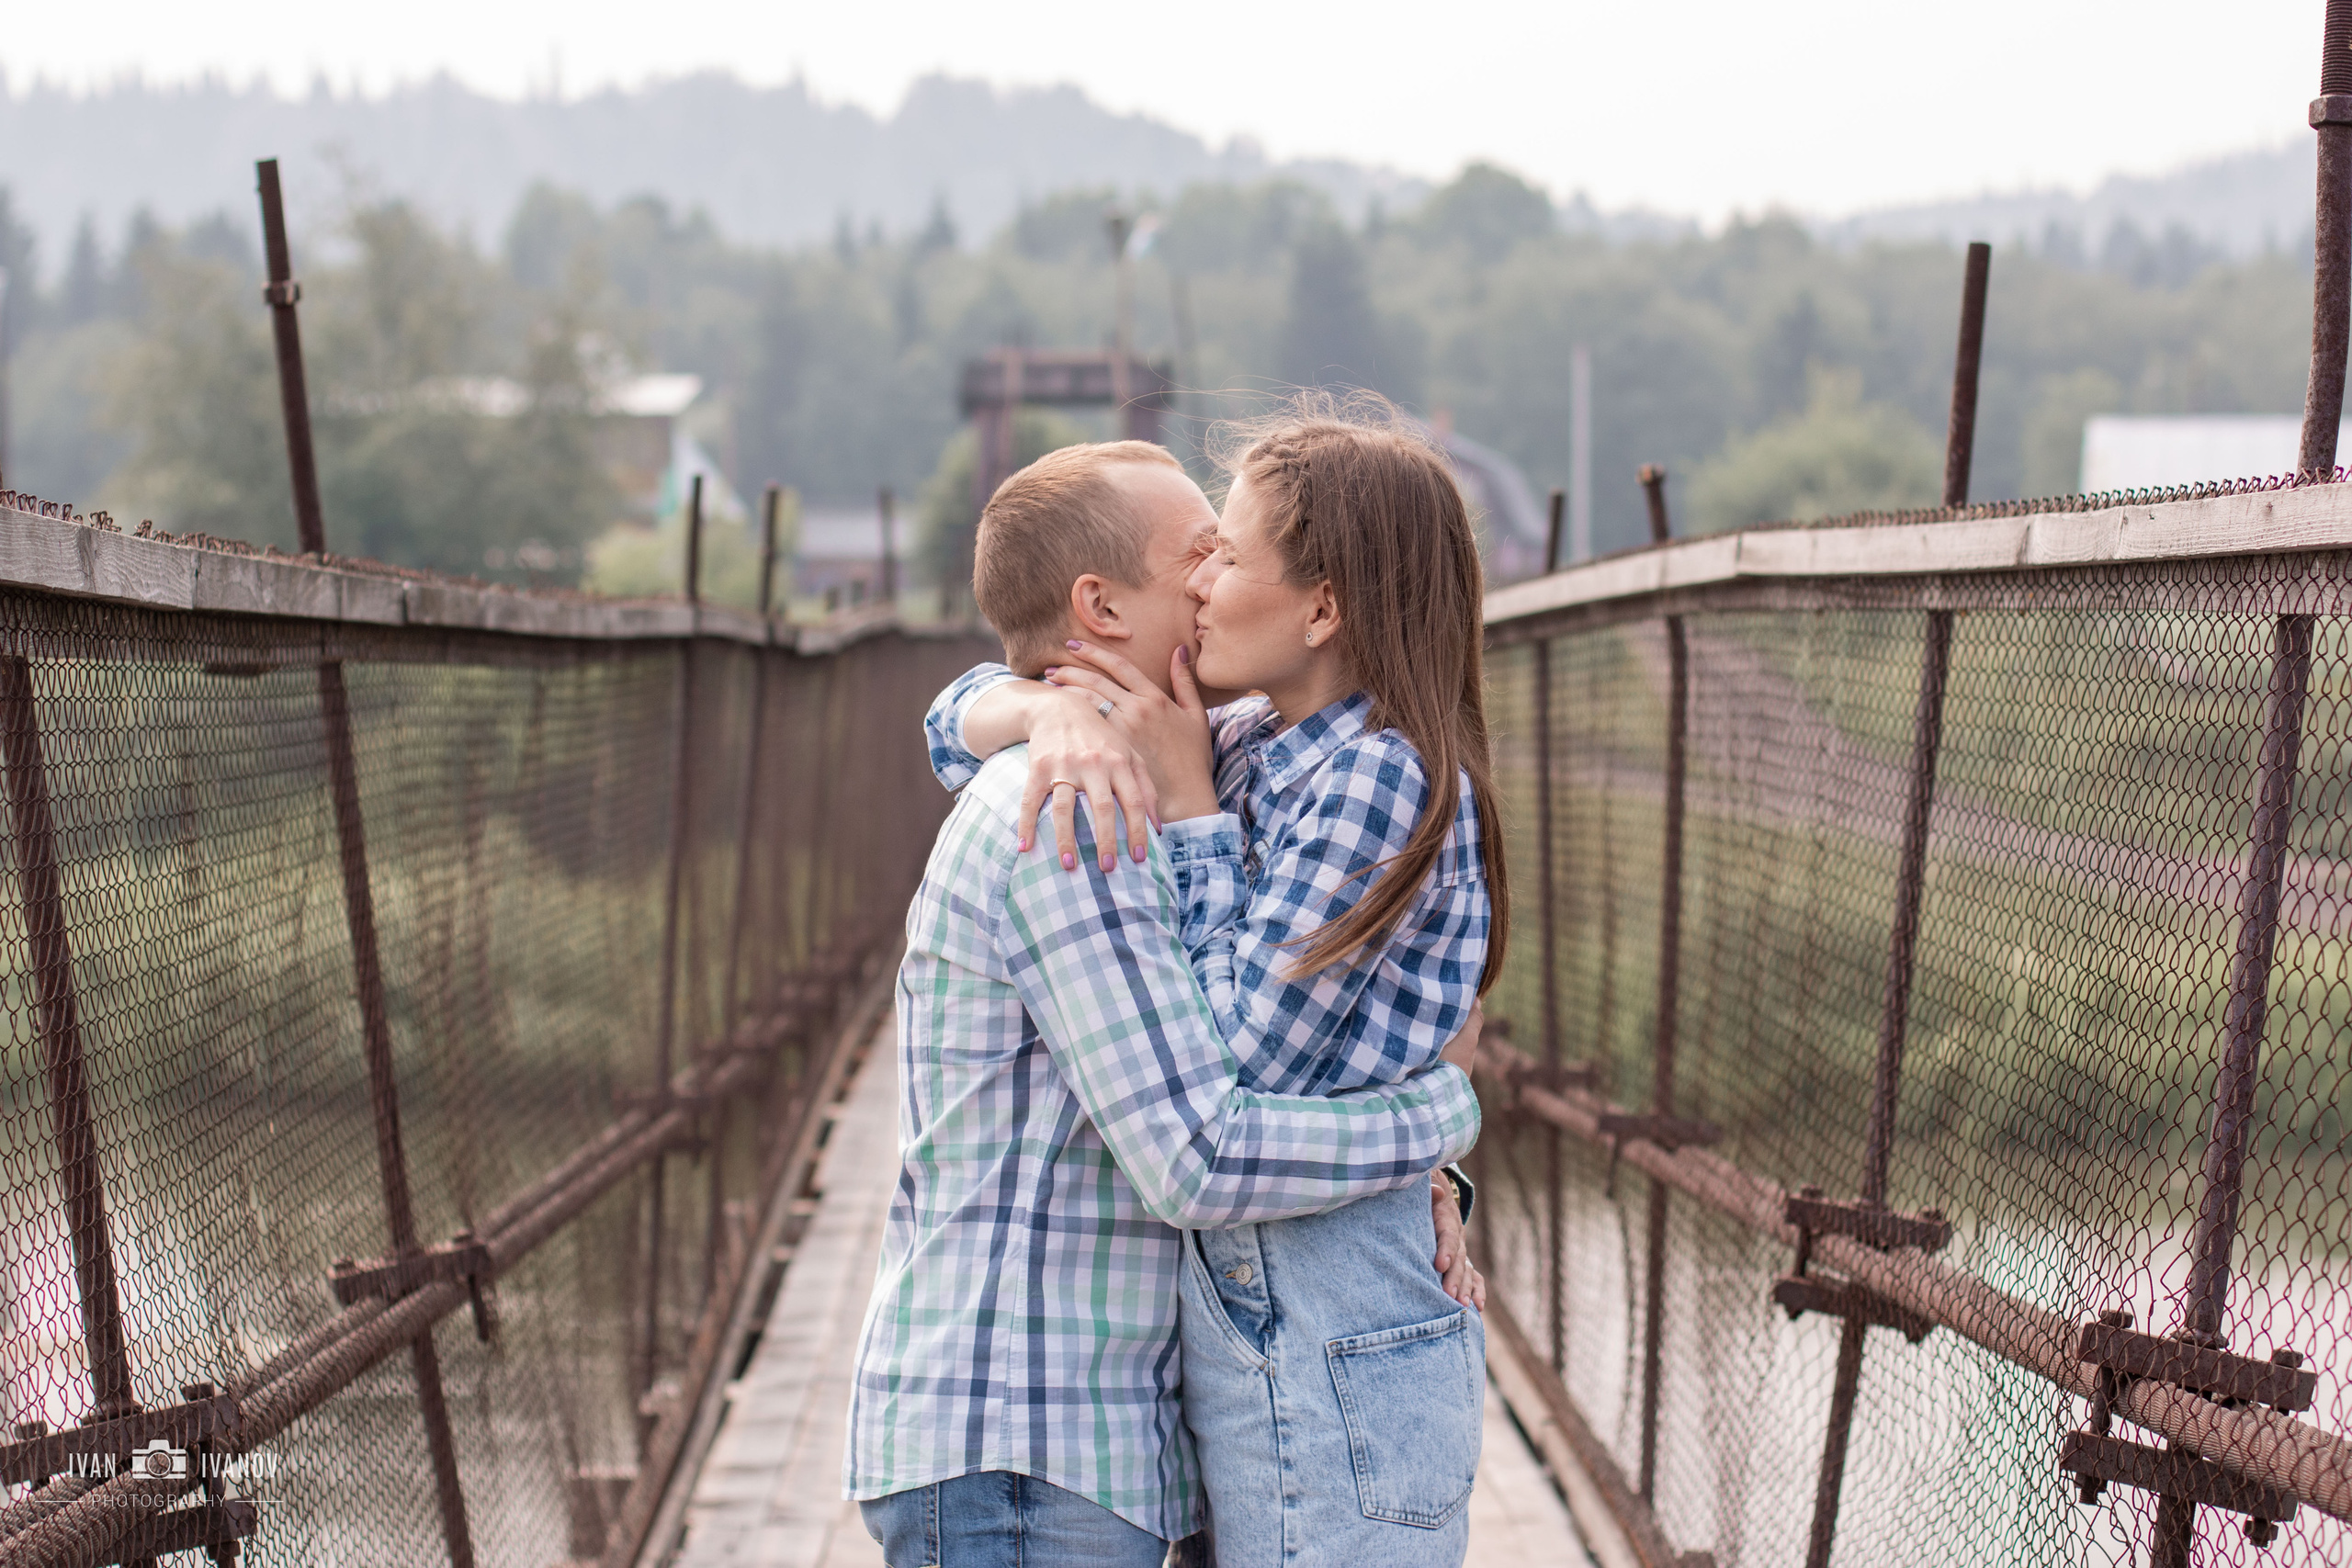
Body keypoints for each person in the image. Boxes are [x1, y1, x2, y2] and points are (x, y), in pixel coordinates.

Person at [845, 438, 1484, 1568]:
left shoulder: (1220, 755)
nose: (1203, 584)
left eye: (1221, 558)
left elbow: (1287, 1023)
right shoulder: (1074, 803)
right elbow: (1199, 1149)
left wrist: (1070, 724)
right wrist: (1433, 1122)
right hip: (1028, 1436)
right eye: (1197, 554)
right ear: (1097, 604)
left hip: (1097, 1434)